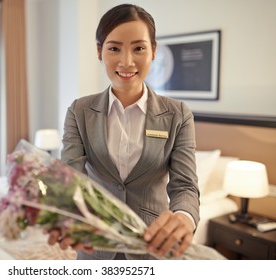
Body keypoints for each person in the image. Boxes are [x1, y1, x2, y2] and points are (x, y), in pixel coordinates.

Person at [48, 3, 200, 260]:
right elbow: (71, 179)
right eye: (114, 48)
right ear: (99, 52)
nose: (126, 61)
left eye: (139, 48)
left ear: (153, 51)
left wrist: (183, 218)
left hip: (152, 248)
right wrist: (63, 213)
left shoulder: (178, 115)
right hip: (94, 246)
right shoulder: (79, 111)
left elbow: (185, 186)